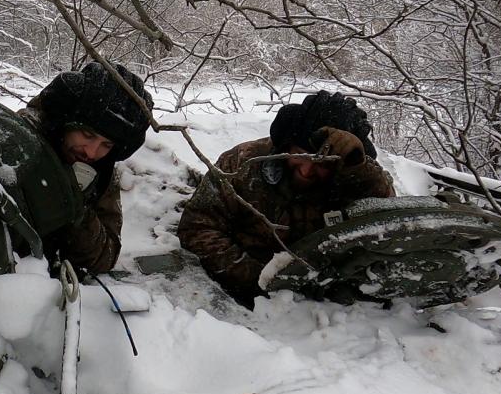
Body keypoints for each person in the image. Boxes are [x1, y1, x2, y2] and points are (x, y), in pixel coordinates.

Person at [177, 91, 396, 307]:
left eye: (323, 164)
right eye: (301, 155)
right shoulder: (242, 163)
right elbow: (197, 226)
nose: (307, 170)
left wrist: (359, 171)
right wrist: (263, 278)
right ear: (287, 144)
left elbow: (391, 227)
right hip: (246, 290)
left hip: (326, 306)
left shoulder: (356, 180)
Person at [20, 61, 153, 277]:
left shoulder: (99, 172)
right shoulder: (19, 142)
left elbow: (104, 257)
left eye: (106, 145)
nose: (91, 152)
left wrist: (77, 209)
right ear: (65, 123)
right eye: (87, 135)